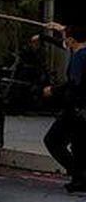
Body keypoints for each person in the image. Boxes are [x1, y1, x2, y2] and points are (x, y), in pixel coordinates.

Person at [37, 23, 86, 193]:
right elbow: (62, 42)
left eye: (66, 38)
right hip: (80, 110)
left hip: (76, 109)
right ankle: (79, 178)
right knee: (79, 145)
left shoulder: (79, 57)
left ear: (72, 40)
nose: (64, 41)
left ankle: (79, 175)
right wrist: (49, 34)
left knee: (53, 140)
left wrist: (53, 90)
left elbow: (75, 83)